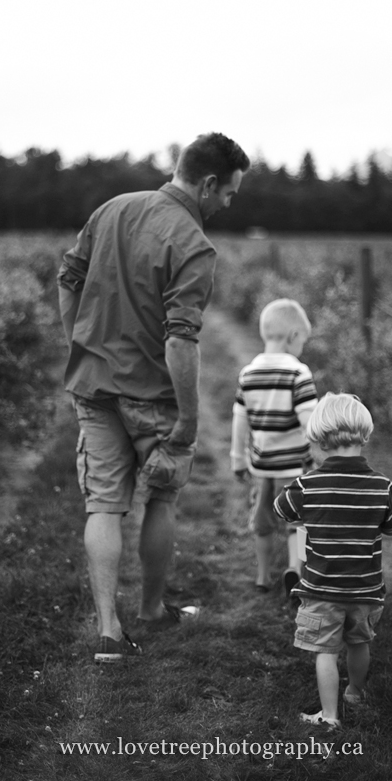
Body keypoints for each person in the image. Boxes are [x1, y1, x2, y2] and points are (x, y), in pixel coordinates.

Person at [57, 133, 250, 663]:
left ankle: (107, 631)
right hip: (153, 396)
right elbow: (181, 339)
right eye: (229, 193)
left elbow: (68, 277)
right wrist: (188, 417)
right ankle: (150, 608)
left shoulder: (112, 209)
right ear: (208, 183)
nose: (227, 204)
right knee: (160, 499)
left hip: (94, 385)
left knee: (103, 503)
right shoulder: (194, 244)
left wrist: (79, 342)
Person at [273, 393, 392, 729]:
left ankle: (330, 716)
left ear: (318, 438)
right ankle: (355, 694)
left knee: (326, 652)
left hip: (322, 589)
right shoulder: (382, 486)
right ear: (364, 434)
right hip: (365, 588)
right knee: (360, 643)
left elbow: (281, 510)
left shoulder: (306, 486)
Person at [230, 298, 317, 596]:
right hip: (295, 466)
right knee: (298, 522)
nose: (302, 348)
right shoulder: (298, 374)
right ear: (293, 336)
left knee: (263, 521)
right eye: (302, 341)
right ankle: (295, 568)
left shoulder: (249, 374)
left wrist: (238, 457)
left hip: (262, 466)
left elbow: (240, 420)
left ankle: (263, 577)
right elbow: (310, 423)